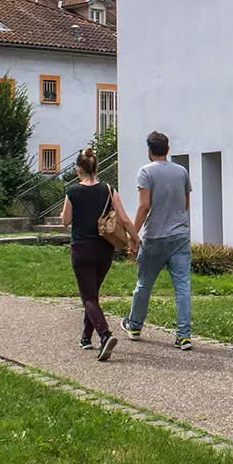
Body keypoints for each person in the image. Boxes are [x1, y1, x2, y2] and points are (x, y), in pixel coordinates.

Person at [60, 146, 133, 360]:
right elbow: (125, 219)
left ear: (77, 170)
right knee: (93, 294)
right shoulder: (109, 190)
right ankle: (85, 337)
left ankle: (105, 335)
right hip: (104, 250)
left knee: (88, 297)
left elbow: (65, 221)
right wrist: (135, 240)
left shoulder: (72, 192)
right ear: (96, 166)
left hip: (82, 249)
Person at [124, 130, 194, 350]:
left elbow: (144, 206)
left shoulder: (145, 172)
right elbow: (186, 204)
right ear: (168, 149)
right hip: (180, 236)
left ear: (149, 150)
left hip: (155, 236)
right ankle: (184, 336)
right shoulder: (181, 172)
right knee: (182, 286)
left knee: (144, 283)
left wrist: (133, 236)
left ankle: (135, 326)